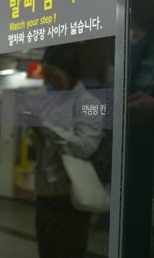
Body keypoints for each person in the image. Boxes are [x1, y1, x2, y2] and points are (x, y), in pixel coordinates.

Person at [33, 45, 103, 258]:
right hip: (46, 196)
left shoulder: (89, 103)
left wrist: (47, 128)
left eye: (55, 76)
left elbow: (86, 147)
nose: (50, 83)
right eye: (47, 77)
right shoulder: (52, 102)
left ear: (70, 72)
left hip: (69, 200)